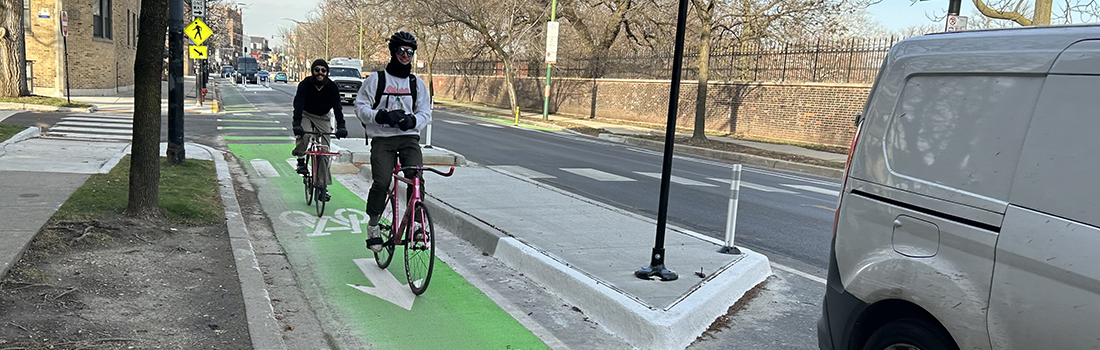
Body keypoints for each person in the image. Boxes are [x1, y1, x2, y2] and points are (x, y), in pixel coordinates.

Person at [354, 31, 431, 252]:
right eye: (401, 51)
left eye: (410, 52)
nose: (405, 55)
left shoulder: (417, 84)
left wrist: (412, 120)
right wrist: (379, 116)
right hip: (383, 138)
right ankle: (374, 225)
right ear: (393, 52)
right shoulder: (376, 80)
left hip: (408, 138)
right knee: (382, 180)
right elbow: (360, 107)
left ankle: (417, 225)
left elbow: (425, 112)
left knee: (416, 177)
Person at [292, 59, 349, 199]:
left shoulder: (332, 87)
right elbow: (298, 104)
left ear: (327, 72)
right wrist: (297, 123)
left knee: (324, 152)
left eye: (323, 71)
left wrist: (341, 126)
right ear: (312, 71)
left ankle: (322, 187)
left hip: (323, 117)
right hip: (306, 113)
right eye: (317, 70)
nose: (320, 73)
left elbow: (337, 108)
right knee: (305, 135)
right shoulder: (305, 84)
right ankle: (300, 159)